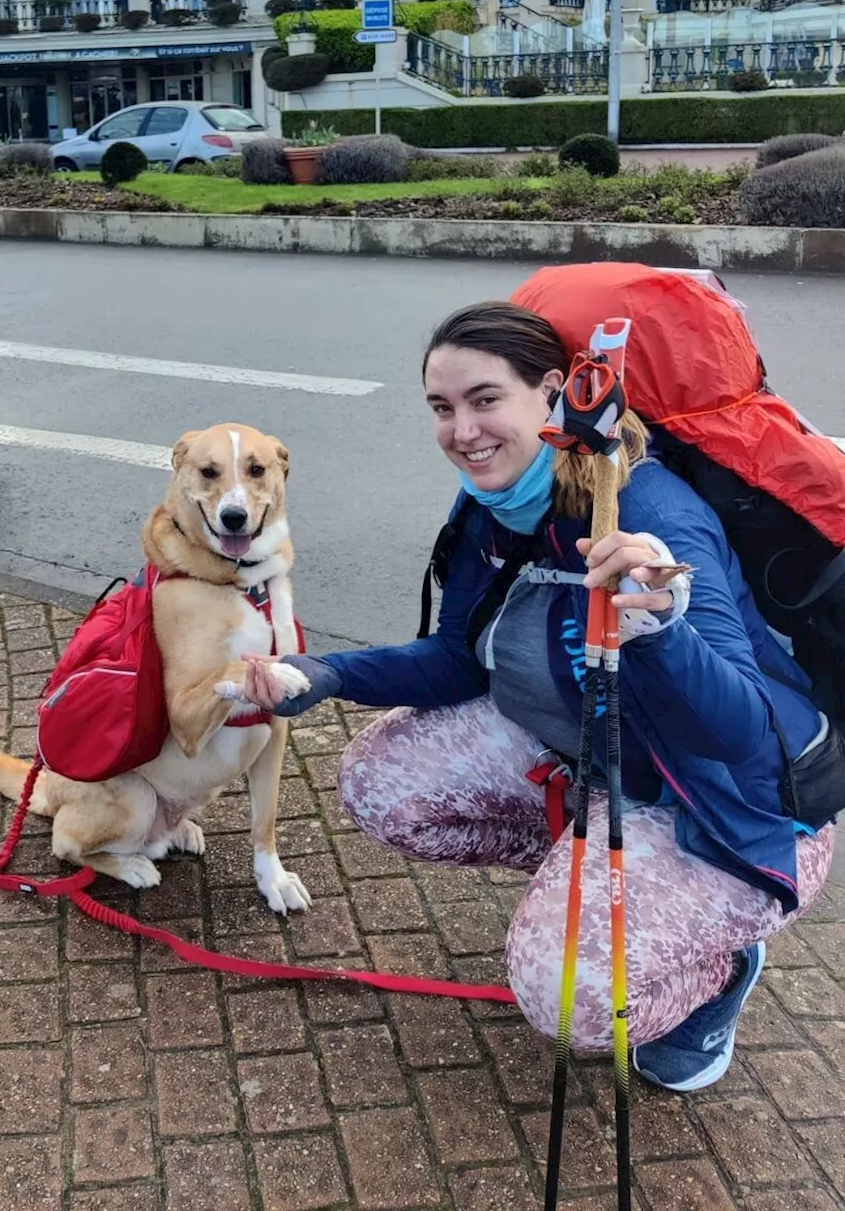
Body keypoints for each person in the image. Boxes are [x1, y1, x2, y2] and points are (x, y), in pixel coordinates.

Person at [242, 300, 837, 1090]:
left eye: (486, 400)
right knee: (378, 783)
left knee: (569, 1004)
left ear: (553, 393)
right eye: (442, 408)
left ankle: (714, 973)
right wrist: (330, 676)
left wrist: (662, 624)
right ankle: (594, 900)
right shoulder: (496, 502)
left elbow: (743, 737)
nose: (463, 430)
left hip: (731, 808)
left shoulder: (652, 514)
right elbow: (460, 656)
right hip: (596, 762)